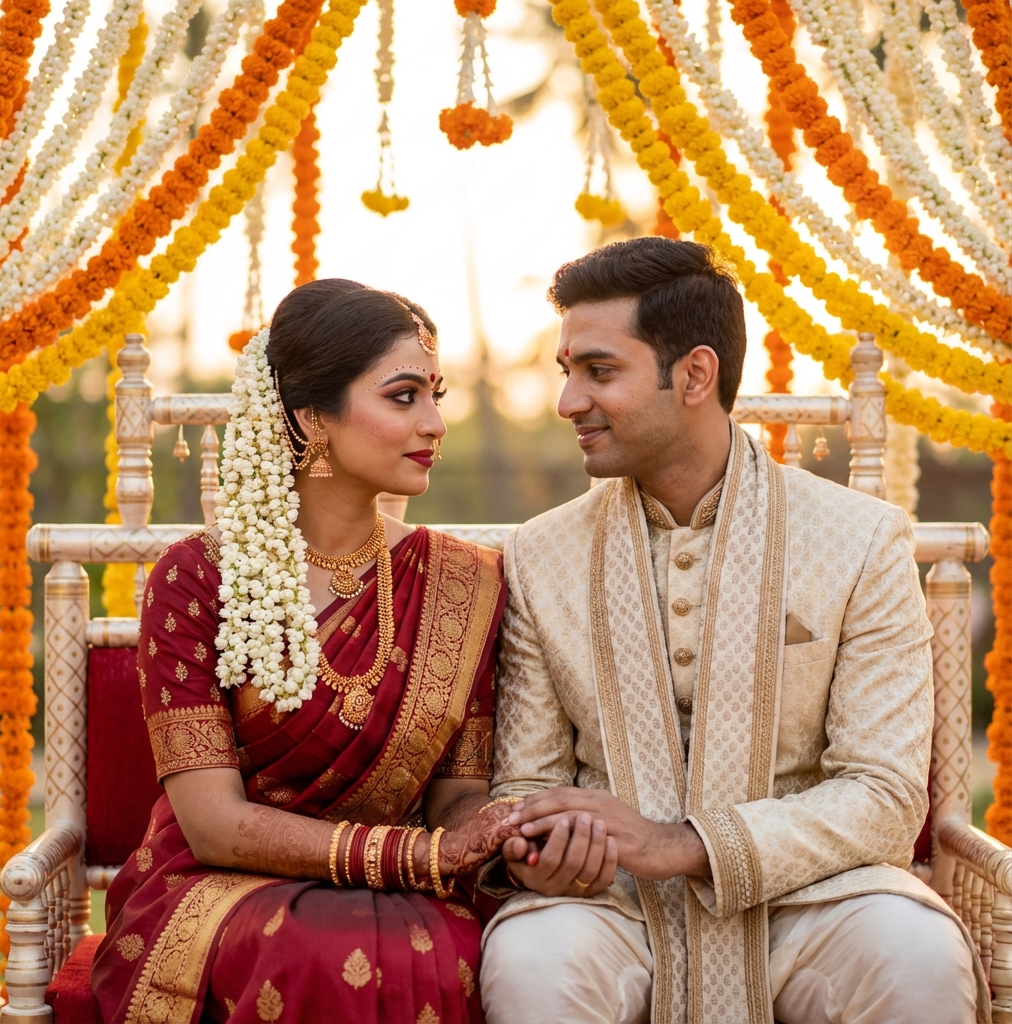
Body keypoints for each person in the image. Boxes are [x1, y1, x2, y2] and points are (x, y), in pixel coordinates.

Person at [477, 238, 986, 1024]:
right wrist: (540, 849)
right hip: (613, 904)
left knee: (914, 952)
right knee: (533, 959)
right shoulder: (541, 554)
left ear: (694, 375)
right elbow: (525, 786)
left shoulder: (857, 539)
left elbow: (884, 796)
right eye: (567, 371)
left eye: (599, 371)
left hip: (815, 896)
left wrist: (682, 844)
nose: (569, 401)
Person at [91, 280, 517, 1023]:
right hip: (220, 884)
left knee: (439, 956)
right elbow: (213, 824)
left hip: (404, 890)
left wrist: (497, 828)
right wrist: (415, 857)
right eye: (404, 396)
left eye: (436, 395)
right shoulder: (198, 579)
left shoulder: (459, 583)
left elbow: (456, 799)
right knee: (315, 952)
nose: (436, 423)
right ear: (312, 417)